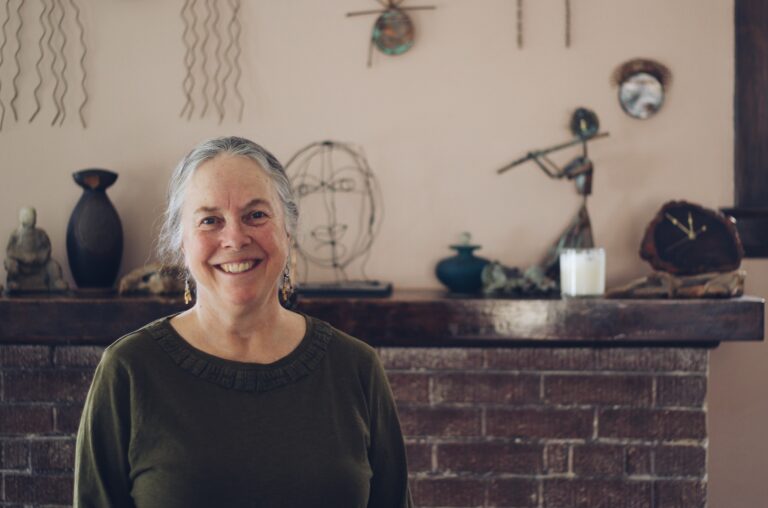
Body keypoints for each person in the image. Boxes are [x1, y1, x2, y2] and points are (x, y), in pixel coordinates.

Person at [74, 136, 412, 507]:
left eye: (256, 215)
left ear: (288, 229)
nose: (234, 238)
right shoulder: (128, 371)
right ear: (182, 243)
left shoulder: (357, 369)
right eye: (210, 220)